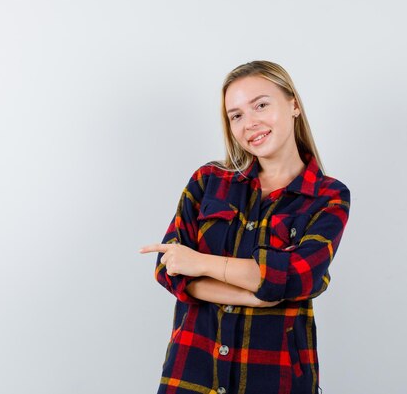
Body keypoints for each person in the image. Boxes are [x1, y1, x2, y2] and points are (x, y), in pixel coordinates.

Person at [139, 60, 351, 394]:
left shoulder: (328, 196)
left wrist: (202, 264)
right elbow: (170, 268)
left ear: (293, 104)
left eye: (261, 105)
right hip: (192, 373)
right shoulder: (208, 181)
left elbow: (298, 276)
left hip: (274, 379)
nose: (249, 123)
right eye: (236, 115)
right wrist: (256, 294)